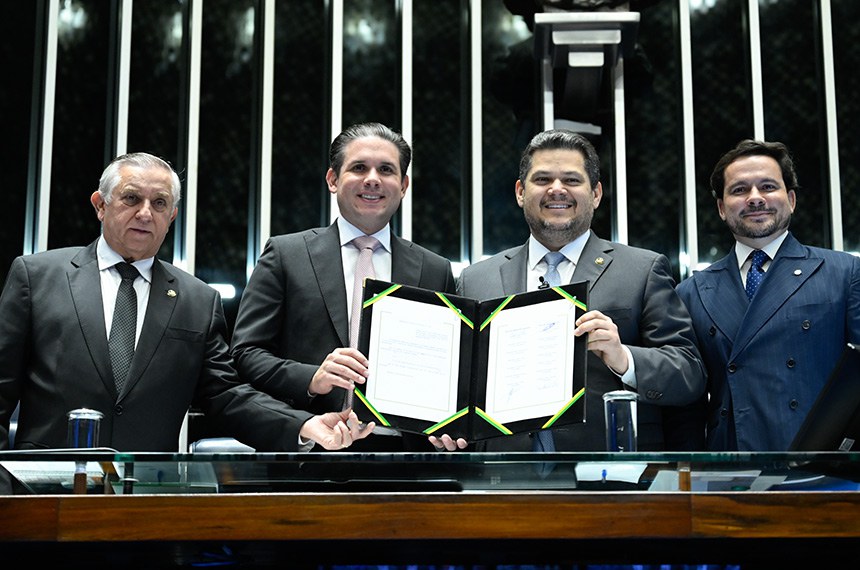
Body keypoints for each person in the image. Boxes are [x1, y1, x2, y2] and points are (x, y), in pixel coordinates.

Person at [0, 152, 373, 452]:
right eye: (131, 198)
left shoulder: (197, 300)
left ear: (172, 215)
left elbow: (226, 396)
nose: (145, 213)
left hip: (146, 496)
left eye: (159, 203)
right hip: (41, 491)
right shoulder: (37, 277)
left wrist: (303, 425)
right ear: (101, 205)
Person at [456, 129, 706, 452]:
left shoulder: (643, 270)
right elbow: (460, 387)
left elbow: (689, 372)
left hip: (609, 481)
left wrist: (624, 358)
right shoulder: (476, 280)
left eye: (572, 180)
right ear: (520, 192)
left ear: (596, 194)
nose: (557, 189)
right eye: (542, 179)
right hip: (502, 482)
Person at [230, 122, 459, 452]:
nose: (372, 179)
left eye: (386, 170)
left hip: (407, 458)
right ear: (333, 180)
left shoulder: (435, 269)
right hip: (311, 449)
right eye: (358, 168)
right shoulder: (286, 255)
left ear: (404, 185)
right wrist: (311, 377)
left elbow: (450, 369)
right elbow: (245, 354)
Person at [676, 139, 860, 451]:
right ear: (721, 208)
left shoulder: (845, 273)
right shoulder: (691, 291)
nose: (755, 198)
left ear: (791, 199)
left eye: (767, 186)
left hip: (822, 463)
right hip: (731, 467)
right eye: (739, 190)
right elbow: (686, 406)